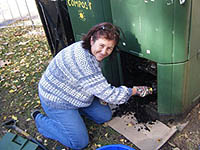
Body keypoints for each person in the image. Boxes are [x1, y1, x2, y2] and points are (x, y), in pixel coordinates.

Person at [32, 22, 152, 150]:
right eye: (101, 45)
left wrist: (101, 92)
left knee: (104, 116)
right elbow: (111, 95)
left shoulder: (88, 51)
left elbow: (94, 84)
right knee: (79, 143)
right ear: (92, 40)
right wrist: (135, 90)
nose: (104, 51)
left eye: (109, 48)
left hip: (75, 94)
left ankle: (75, 114)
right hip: (57, 99)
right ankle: (40, 119)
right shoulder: (83, 61)